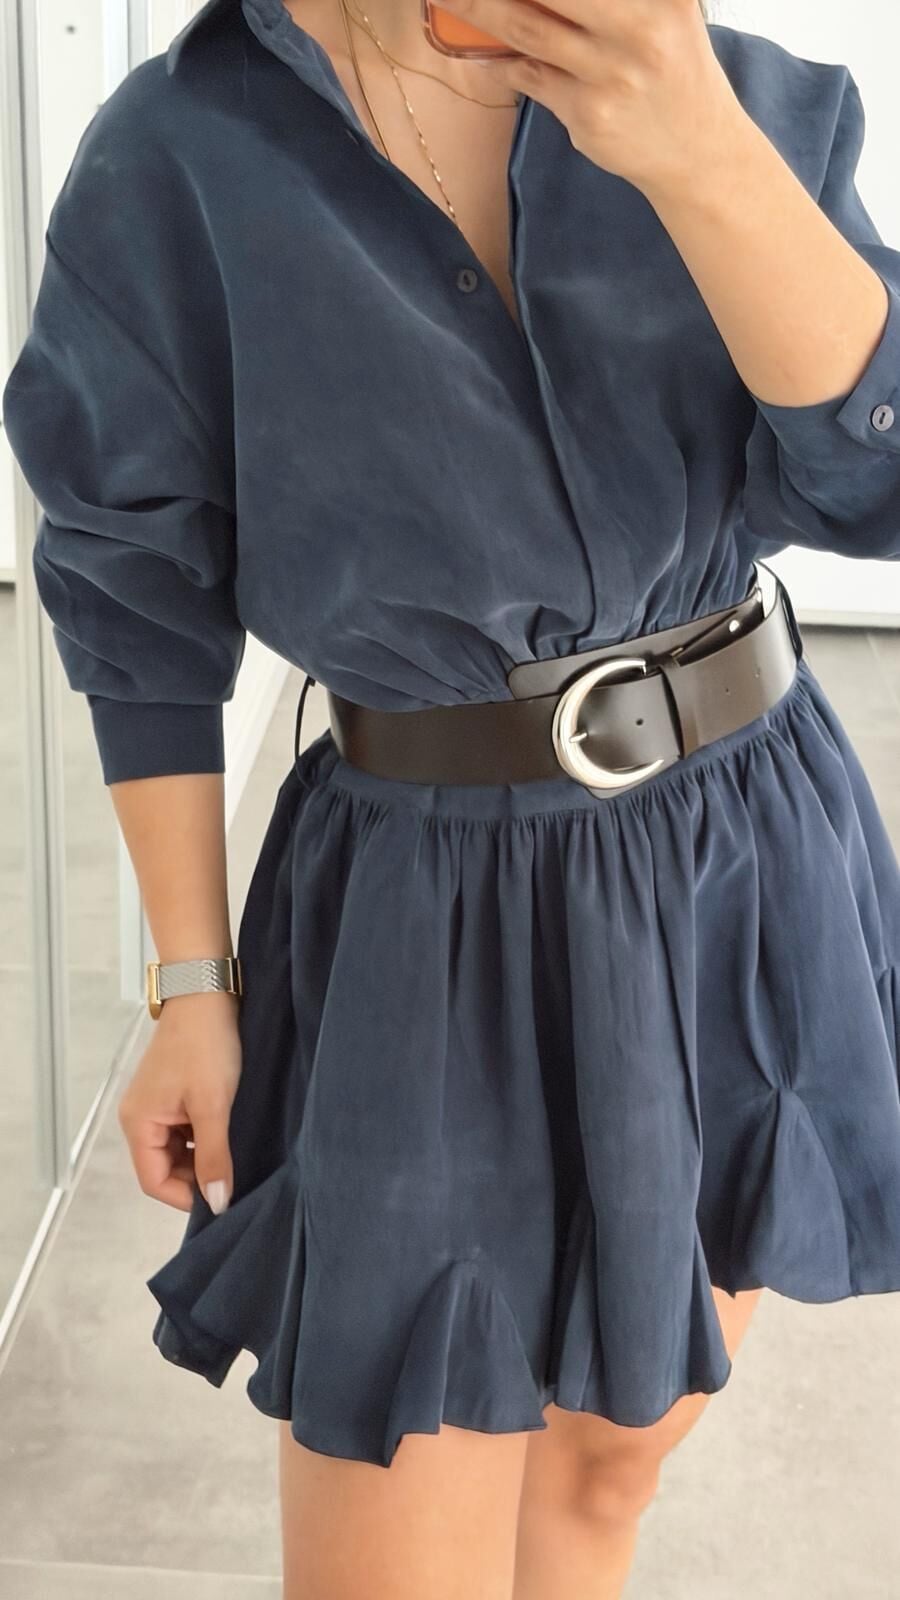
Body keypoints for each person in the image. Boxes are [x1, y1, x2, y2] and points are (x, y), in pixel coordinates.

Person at [4, 0, 900, 1593]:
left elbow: (874, 477)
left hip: (737, 861)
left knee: (614, 1460)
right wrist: (192, 981)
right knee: (400, 1523)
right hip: (429, 916)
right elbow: (134, 599)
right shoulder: (179, 157)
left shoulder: (727, 87)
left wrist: (702, 153)